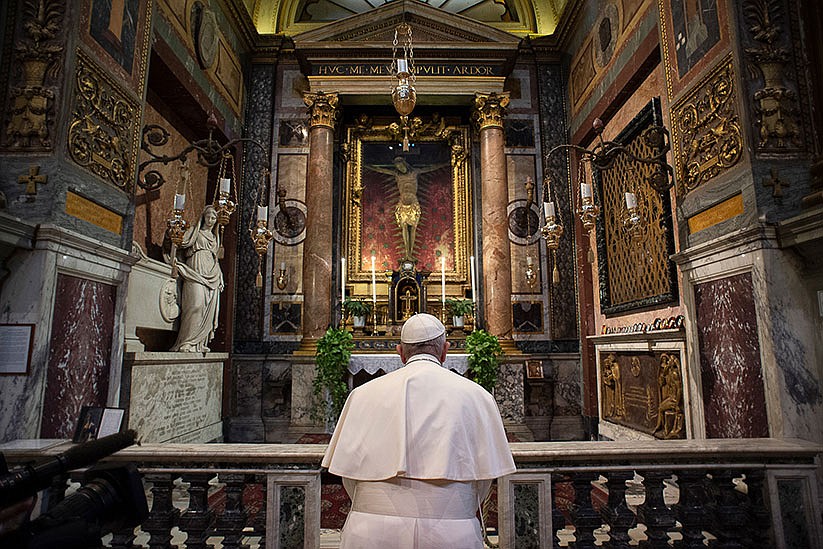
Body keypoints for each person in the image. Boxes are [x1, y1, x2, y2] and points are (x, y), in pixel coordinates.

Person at [322, 313, 516, 548]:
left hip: (371, 530)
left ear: (400, 353)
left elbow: (349, 478)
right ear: (445, 350)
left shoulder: (361, 395)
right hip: (451, 530)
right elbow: (485, 479)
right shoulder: (477, 396)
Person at [366, 156, 450, 260]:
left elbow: (430, 168)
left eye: (401, 166)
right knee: (404, 227)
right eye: (398, 167)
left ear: (405, 164)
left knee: (413, 228)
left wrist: (445, 164)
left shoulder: (414, 173)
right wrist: (365, 165)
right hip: (402, 203)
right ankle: (407, 254)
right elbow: (381, 170)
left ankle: (410, 254)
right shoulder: (397, 175)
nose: (400, 168)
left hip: (413, 203)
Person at [169, 205, 224, 352]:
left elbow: (216, 259)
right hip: (195, 270)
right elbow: (181, 242)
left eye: (214, 218)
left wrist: (221, 276)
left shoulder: (214, 237)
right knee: (195, 305)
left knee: (206, 308)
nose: (211, 220)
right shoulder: (195, 232)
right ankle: (186, 341)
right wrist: (174, 234)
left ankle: (199, 343)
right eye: (208, 217)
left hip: (212, 273)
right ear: (203, 217)